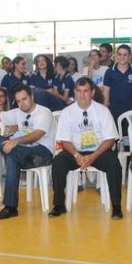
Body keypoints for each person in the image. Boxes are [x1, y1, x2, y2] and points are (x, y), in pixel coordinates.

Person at [49, 77, 122, 219]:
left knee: (114, 164)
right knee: (58, 162)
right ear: (75, 92)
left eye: (86, 91)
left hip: (99, 151)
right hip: (75, 152)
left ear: (93, 92)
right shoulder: (67, 112)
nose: (82, 95)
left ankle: (116, 207)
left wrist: (92, 156)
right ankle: (58, 205)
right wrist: (77, 156)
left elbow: (110, 139)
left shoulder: (103, 111)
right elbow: (64, 140)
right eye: (79, 91)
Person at [0, 85, 54, 220]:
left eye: (24, 99)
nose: (22, 103)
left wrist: (15, 141)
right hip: (23, 153)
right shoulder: (18, 112)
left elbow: (37, 135)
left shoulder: (44, 112)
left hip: (42, 152)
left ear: (32, 96)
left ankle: (10, 207)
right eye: (18, 101)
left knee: (11, 156)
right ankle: (10, 207)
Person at [103, 44, 132, 123]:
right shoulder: (109, 72)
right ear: (116, 55)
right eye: (119, 54)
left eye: (125, 55)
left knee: (131, 134)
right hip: (114, 111)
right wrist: (105, 109)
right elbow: (106, 92)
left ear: (129, 56)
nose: (122, 57)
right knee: (117, 135)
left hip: (131, 110)